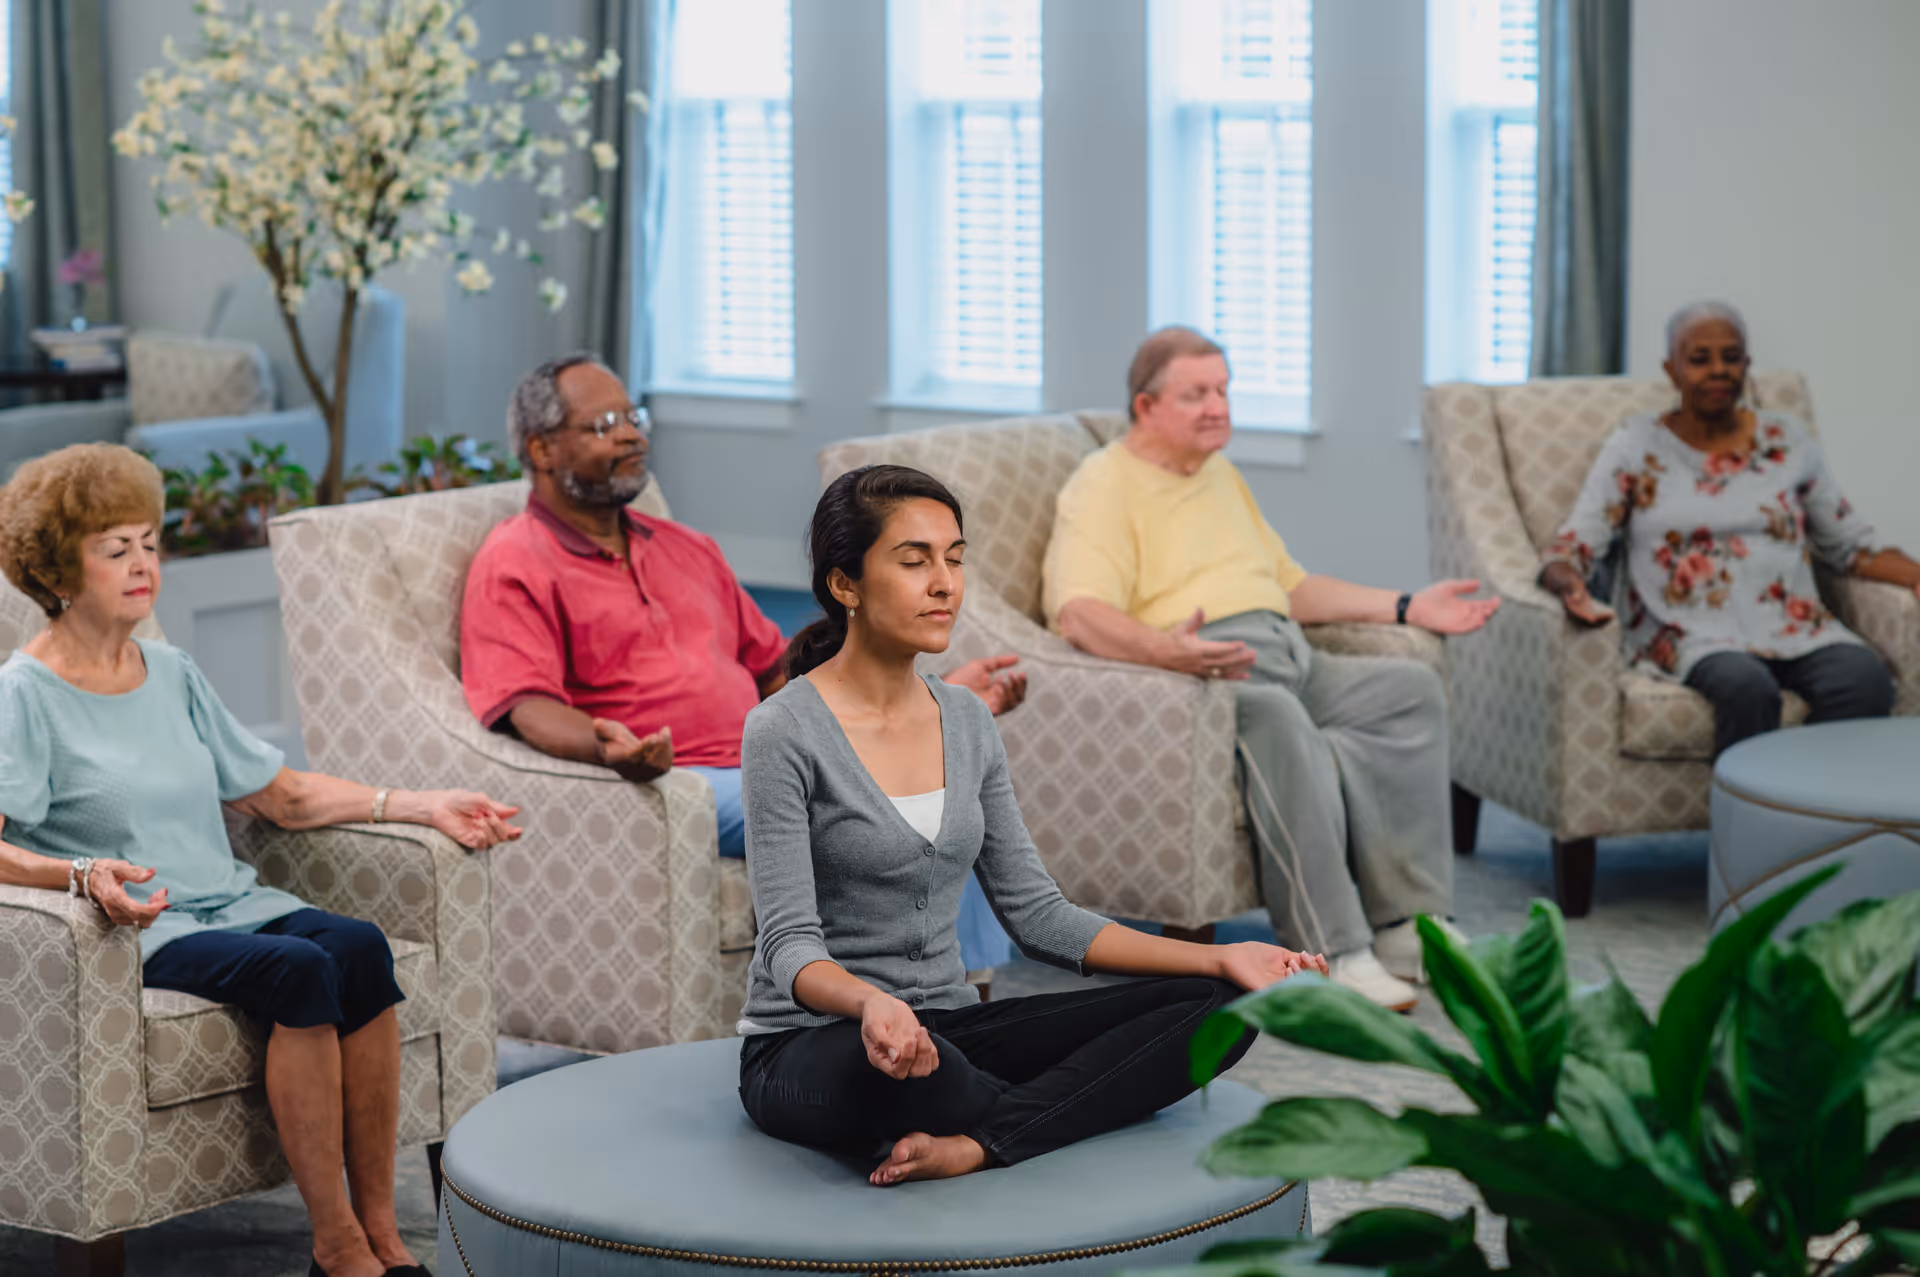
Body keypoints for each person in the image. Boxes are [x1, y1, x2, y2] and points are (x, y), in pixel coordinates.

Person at [0, 444, 523, 1277]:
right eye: (115, 549)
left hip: (224, 899)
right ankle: (335, 1243)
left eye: (149, 543)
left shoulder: (168, 670)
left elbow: (281, 797)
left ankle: (385, 1233)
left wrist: (422, 803)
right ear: (62, 567)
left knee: (358, 947)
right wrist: (77, 875)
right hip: (141, 928)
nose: (144, 565)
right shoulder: (26, 693)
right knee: (297, 972)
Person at [737, 464, 1325, 1183]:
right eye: (914, 560)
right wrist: (871, 1002)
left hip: (951, 1030)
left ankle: (979, 1141)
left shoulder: (967, 719)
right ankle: (1041, 1111)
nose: (944, 583)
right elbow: (788, 946)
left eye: (954, 558)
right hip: (818, 1047)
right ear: (845, 584)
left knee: (1224, 1009)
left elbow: (1039, 914)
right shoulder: (781, 731)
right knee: (915, 1074)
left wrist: (1223, 958)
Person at [460, 352, 1027, 976]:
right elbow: (525, 705)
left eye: (633, 417)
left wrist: (922, 698)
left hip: (771, 751)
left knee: (940, 785)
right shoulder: (515, 561)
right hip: (684, 779)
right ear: (542, 451)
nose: (632, 435)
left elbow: (775, 671)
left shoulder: (686, 547)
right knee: (888, 807)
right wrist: (606, 746)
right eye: (605, 426)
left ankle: (964, 1004)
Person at [1041, 327, 1495, 1012]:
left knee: (1407, 690)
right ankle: (1331, 951)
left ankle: (1412, 925)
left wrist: (1407, 606)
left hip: (1289, 652)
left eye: (1222, 390)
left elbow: (1291, 586)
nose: (1217, 407)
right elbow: (1077, 612)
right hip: (1207, 670)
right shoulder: (1104, 484)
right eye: (1195, 394)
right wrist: (1170, 651)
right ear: (1146, 407)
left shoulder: (1218, 472)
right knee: (1278, 717)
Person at [1540, 301, 1920, 757]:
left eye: (1731, 357)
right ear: (1672, 369)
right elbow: (1576, 544)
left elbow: (1849, 546)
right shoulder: (1636, 444)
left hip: (1794, 626)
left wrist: (1915, 575)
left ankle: (1816, 812)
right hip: (1686, 631)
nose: (1718, 370)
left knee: (1864, 679)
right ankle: (1748, 824)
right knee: (1746, 688)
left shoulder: (1787, 439)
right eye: (1699, 359)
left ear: (1747, 365)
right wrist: (1568, 585)